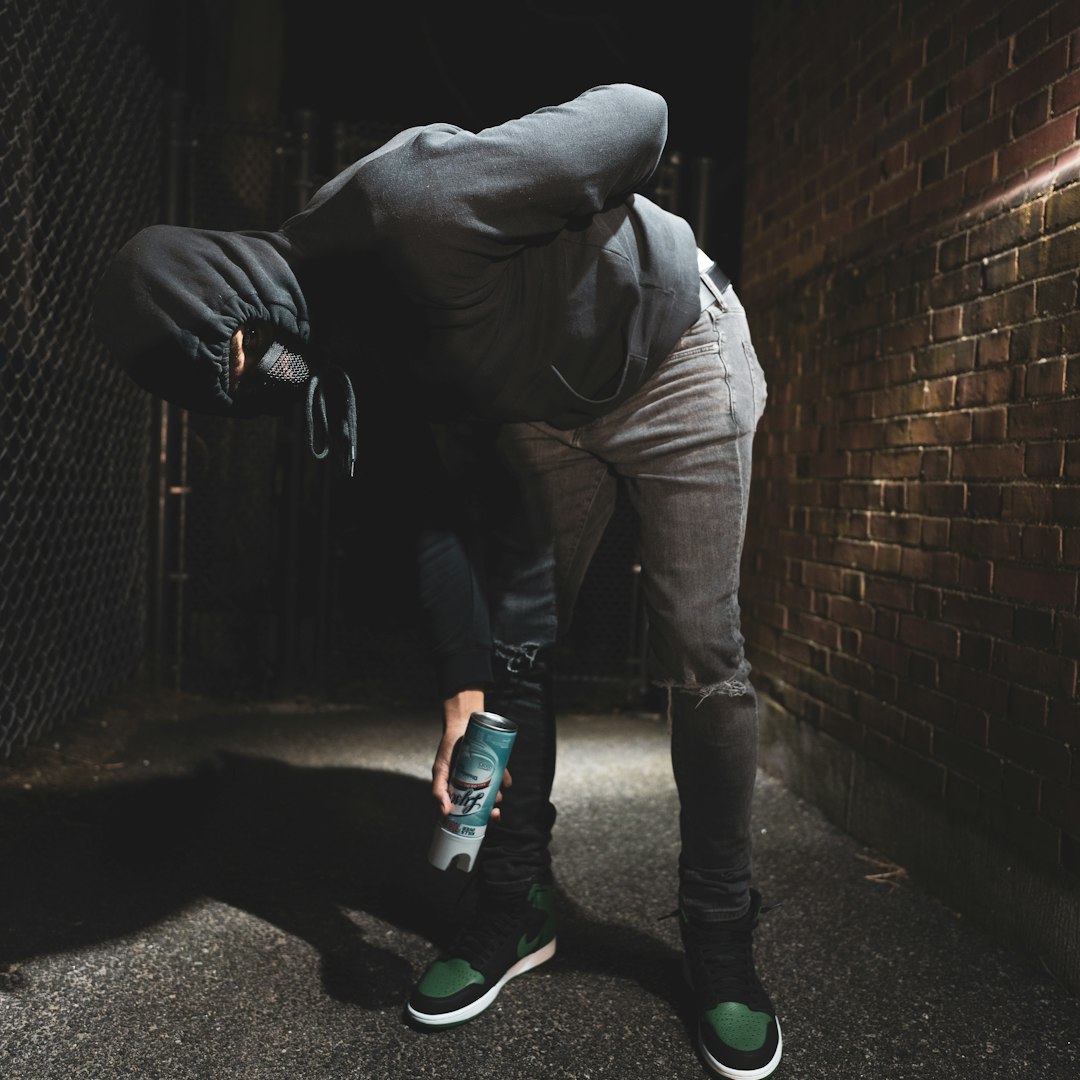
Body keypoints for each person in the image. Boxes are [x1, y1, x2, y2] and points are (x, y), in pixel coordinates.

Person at [93, 83, 780, 1079]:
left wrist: (592, 223)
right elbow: (427, 512)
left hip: (676, 352)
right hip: (547, 413)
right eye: (232, 388)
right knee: (514, 661)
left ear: (229, 278)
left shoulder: (415, 203)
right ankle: (514, 910)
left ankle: (720, 942)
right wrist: (464, 688)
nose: (262, 381)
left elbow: (640, 114)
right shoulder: (337, 361)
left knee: (699, 644)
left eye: (241, 351)